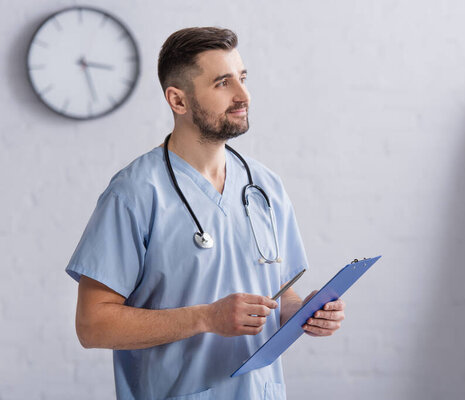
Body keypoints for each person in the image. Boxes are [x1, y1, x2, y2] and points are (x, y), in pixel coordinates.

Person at [65, 27, 346, 400]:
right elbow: (92, 325)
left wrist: (303, 312)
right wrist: (205, 317)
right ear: (178, 101)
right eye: (222, 83)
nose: (243, 95)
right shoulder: (134, 193)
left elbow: (279, 291)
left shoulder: (264, 187)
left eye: (242, 79)